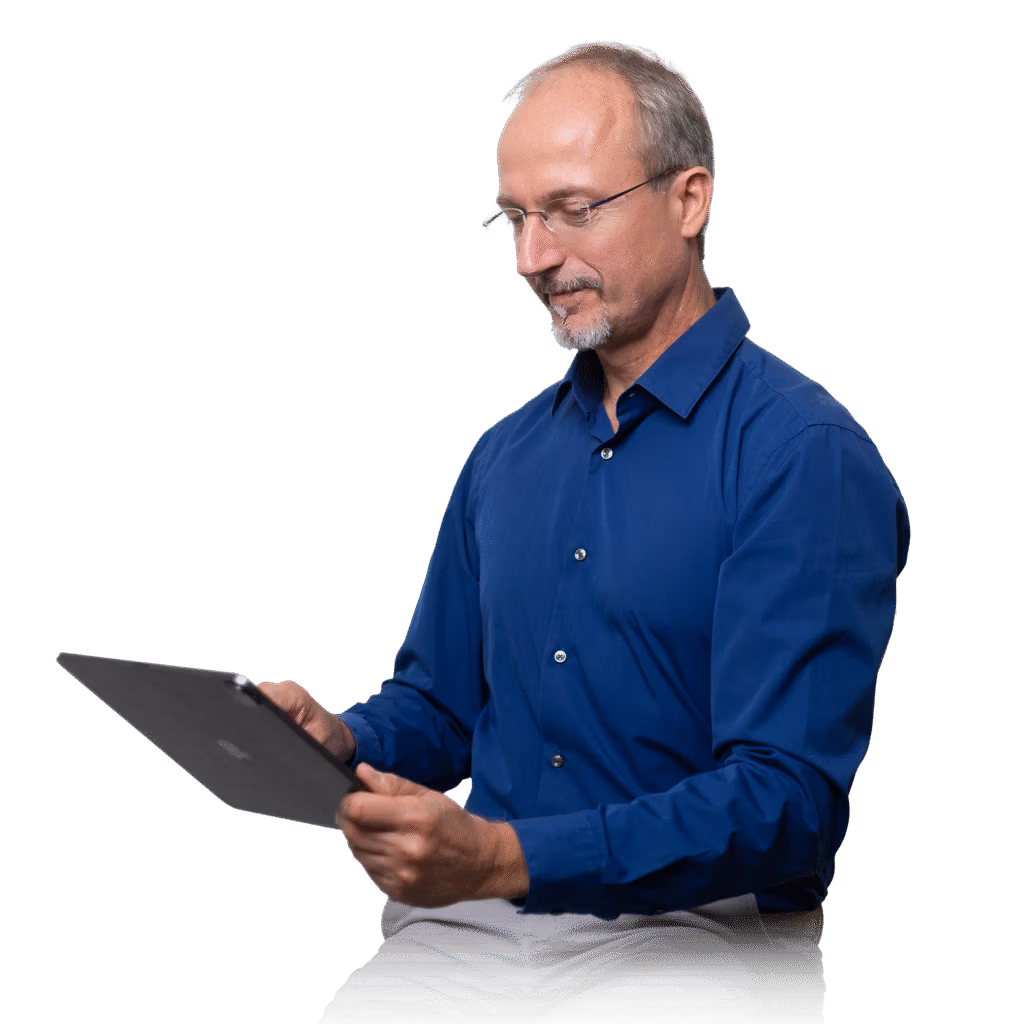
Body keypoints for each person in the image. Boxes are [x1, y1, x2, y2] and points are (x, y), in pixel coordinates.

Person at [261, 40, 911, 1023]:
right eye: (514, 218)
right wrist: (341, 740)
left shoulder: (802, 455)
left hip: (699, 934)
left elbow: (785, 806)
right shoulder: (504, 456)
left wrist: (508, 855)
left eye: (572, 210)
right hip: (472, 930)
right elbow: (444, 708)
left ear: (689, 200)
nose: (533, 258)